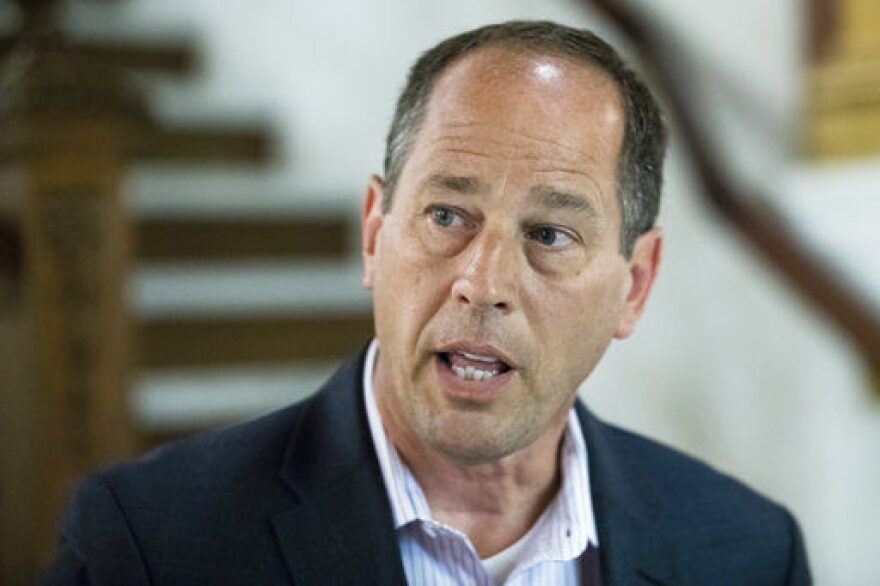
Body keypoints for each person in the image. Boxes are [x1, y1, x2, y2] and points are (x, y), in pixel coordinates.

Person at [41, 20, 811, 585]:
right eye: (447, 216)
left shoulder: (748, 553)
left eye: (549, 232)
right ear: (375, 233)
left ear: (633, 286)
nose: (483, 281)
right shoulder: (146, 544)